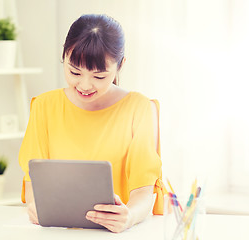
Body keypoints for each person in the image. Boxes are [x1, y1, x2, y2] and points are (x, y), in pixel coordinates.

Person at [18, 14, 166, 233]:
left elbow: (144, 193)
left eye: (99, 76)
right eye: (74, 72)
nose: (85, 85)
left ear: (120, 66)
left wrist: (129, 216)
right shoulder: (44, 106)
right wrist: (35, 207)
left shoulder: (140, 108)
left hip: (123, 234)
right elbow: (34, 182)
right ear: (64, 57)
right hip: (60, 232)